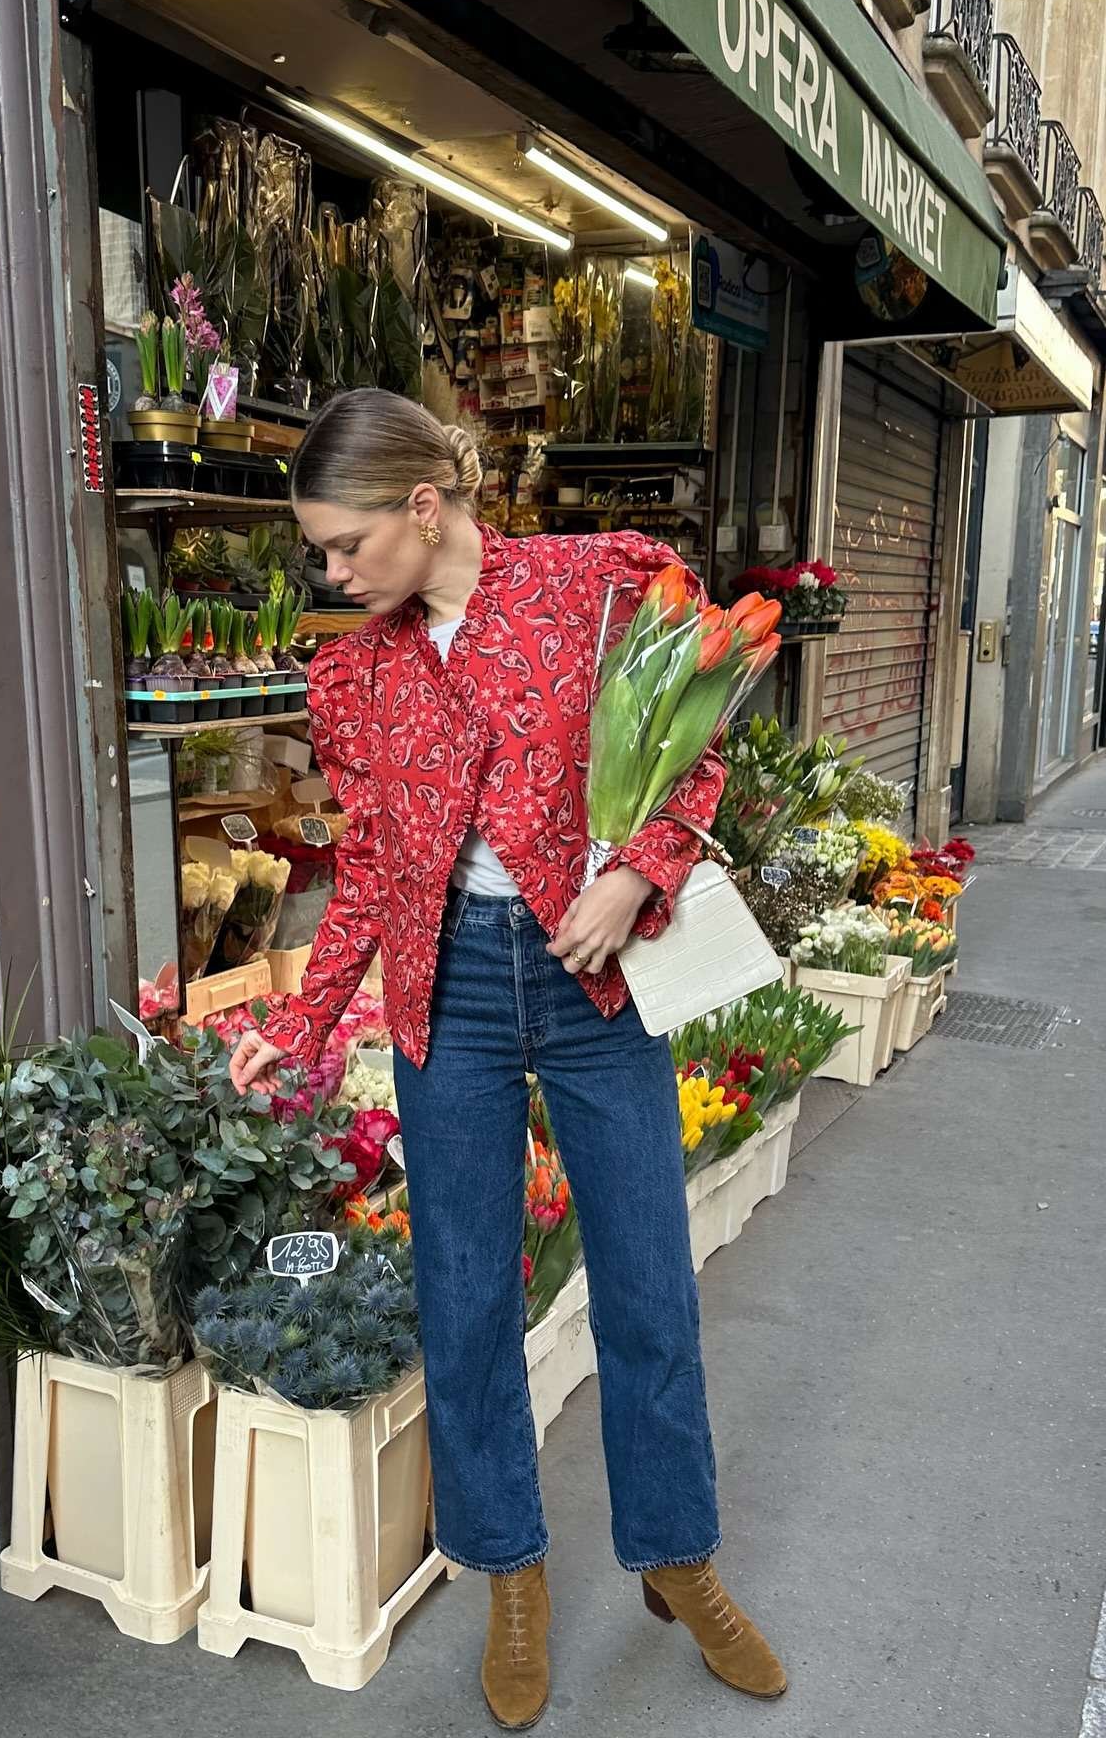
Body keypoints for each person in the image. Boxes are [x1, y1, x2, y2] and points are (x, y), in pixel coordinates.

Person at [230, 388, 786, 1728]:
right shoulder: (356, 672)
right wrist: (294, 1034)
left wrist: (640, 875)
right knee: (469, 1297)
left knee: (650, 1279)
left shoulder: (601, 584)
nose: (333, 574)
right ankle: (512, 1577)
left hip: (592, 976)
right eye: (321, 554)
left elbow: (694, 747)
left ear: (426, 506)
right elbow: (365, 866)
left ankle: (677, 1558)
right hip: (452, 991)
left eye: (347, 544)